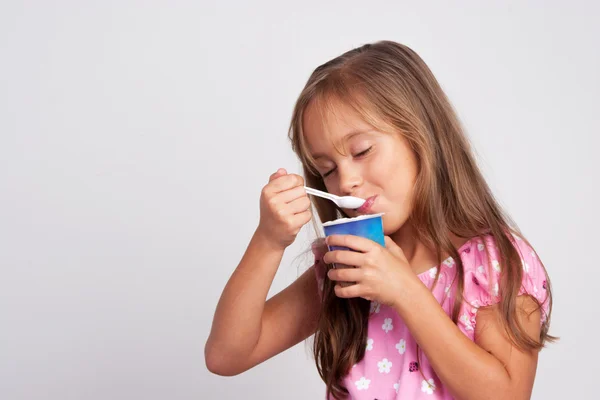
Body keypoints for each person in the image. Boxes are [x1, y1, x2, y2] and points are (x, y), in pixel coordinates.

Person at [205, 40, 555, 399]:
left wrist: (405, 291)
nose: (346, 181)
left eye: (362, 151)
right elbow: (226, 356)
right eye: (326, 169)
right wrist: (268, 241)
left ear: (422, 133)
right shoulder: (347, 265)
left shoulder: (490, 264)